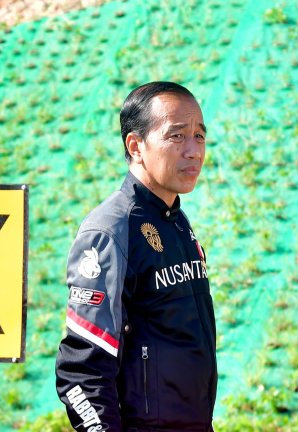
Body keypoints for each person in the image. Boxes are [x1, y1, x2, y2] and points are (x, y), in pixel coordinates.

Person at [56, 81, 217, 432]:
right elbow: (80, 373)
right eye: (177, 136)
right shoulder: (110, 231)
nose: (194, 151)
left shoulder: (176, 221)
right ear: (136, 145)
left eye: (200, 136)